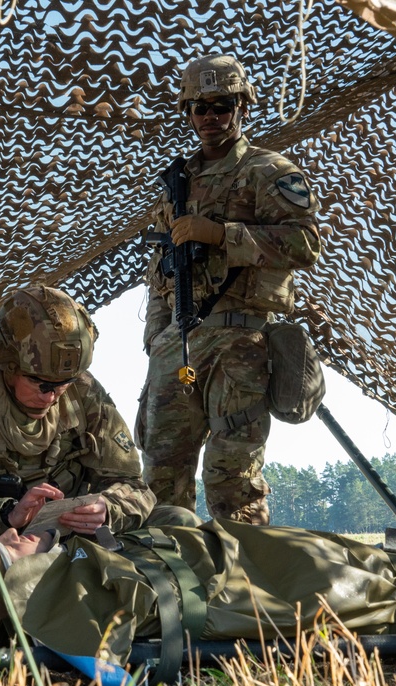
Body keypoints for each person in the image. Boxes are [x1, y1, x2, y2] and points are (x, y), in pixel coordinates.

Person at [0, 286, 200, 636]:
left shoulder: (85, 394)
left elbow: (134, 486)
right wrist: (5, 513)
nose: (53, 394)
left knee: (180, 522)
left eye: (64, 383)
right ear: (5, 363)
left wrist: (107, 509)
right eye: (41, 383)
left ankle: (128, 616)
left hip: (73, 549)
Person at [0, 517, 396, 670]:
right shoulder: (84, 598)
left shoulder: (78, 574)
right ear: (22, 584)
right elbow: (110, 672)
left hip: (233, 558)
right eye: (14, 545)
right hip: (254, 579)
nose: (19, 536)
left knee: (377, 571)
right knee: (384, 582)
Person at [136, 53, 322, 524]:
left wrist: (221, 235)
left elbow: (305, 244)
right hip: (177, 346)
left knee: (232, 479)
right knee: (160, 475)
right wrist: (157, 337)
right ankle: (169, 582)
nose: (210, 117)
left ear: (242, 107)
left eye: (221, 105)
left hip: (240, 342)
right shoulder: (177, 184)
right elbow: (161, 272)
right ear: (188, 113)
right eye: (200, 107)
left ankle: (243, 591)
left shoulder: (268, 171)